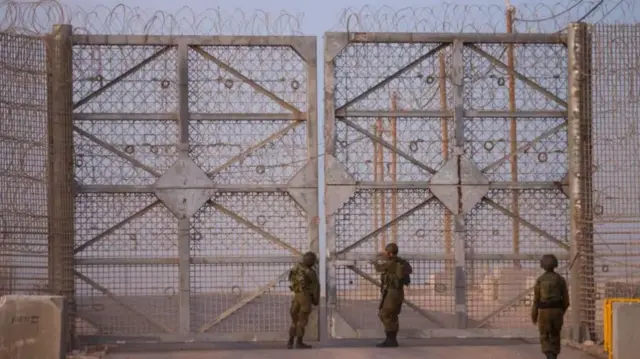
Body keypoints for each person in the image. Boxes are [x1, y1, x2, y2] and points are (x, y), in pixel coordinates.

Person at [371, 242, 412, 348]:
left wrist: (374, 261)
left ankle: (390, 340)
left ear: (389, 253)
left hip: (392, 293)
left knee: (384, 314)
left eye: (386, 252)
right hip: (398, 292)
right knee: (392, 315)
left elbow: (379, 268)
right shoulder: (400, 262)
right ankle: (392, 340)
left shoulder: (391, 263)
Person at [531, 254, 570, 359]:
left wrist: (534, 316)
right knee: (556, 335)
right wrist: (561, 312)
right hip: (557, 310)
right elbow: (566, 301)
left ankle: (549, 355)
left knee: (544, 335)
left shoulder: (540, 280)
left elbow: (536, 300)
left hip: (544, 312)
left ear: (542, 265)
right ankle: (554, 355)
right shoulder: (560, 280)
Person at [287, 251, 319, 349]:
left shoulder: (295, 269)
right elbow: (315, 287)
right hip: (305, 298)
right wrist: (316, 300)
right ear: (311, 261)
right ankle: (299, 343)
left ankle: (290, 342)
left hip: (296, 296)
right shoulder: (310, 272)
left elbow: (291, 282)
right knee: (302, 321)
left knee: (294, 321)